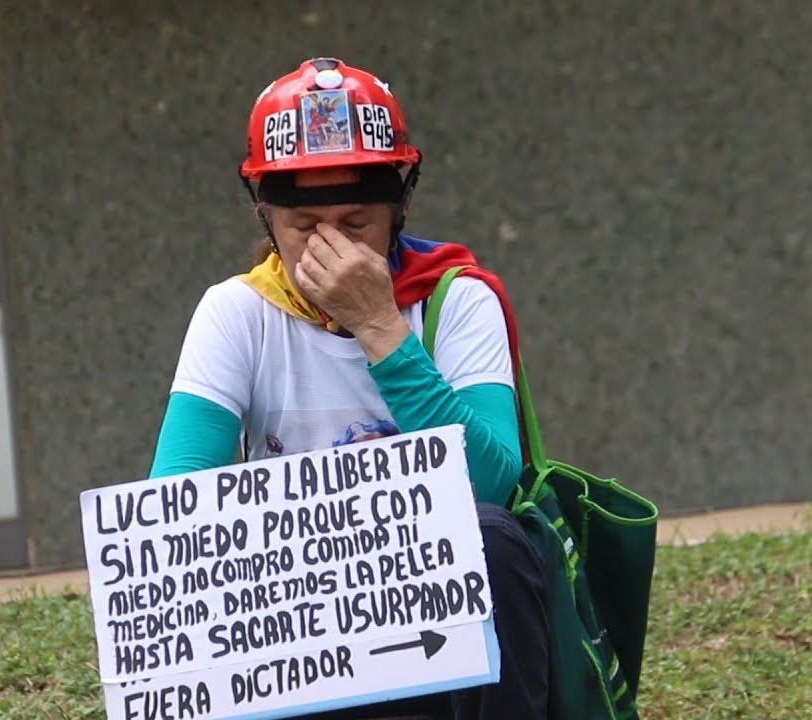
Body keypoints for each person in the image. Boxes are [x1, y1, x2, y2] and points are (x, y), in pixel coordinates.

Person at [148, 57, 550, 720]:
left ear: (398, 209)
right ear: (265, 219)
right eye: (305, 228)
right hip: (299, 640)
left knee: (497, 541)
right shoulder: (237, 313)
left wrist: (379, 327)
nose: (331, 247)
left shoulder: (457, 299)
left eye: (357, 223)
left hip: (439, 643)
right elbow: (176, 512)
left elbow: (492, 487)